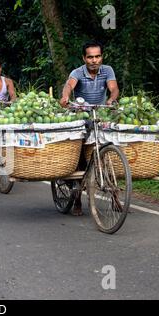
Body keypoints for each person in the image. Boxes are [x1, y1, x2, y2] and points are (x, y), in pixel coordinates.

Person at [60, 40, 120, 215]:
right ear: (84, 58)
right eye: (90, 57)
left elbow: (113, 88)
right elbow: (69, 85)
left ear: (102, 57)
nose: (94, 60)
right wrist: (65, 97)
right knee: (79, 156)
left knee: (108, 150)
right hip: (82, 116)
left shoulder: (107, 70)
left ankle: (115, 196)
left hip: (100, 114)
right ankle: (77, 198)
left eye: (97, 56)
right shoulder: (77, 72)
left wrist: (111, 99)